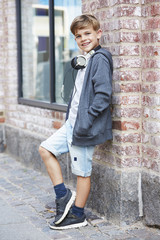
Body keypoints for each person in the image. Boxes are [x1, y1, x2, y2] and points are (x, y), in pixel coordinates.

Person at [39, 14, 113, 230]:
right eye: (78, 36)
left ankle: (78, 215)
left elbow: (103, 96)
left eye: (87, 33)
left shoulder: (100, 58)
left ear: (98, 34)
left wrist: (85, 121)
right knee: (45, 149)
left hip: (84, 127)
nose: (83, 38)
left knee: (82, 172)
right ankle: (63, 195)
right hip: (72, 124)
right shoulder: (86, 59)